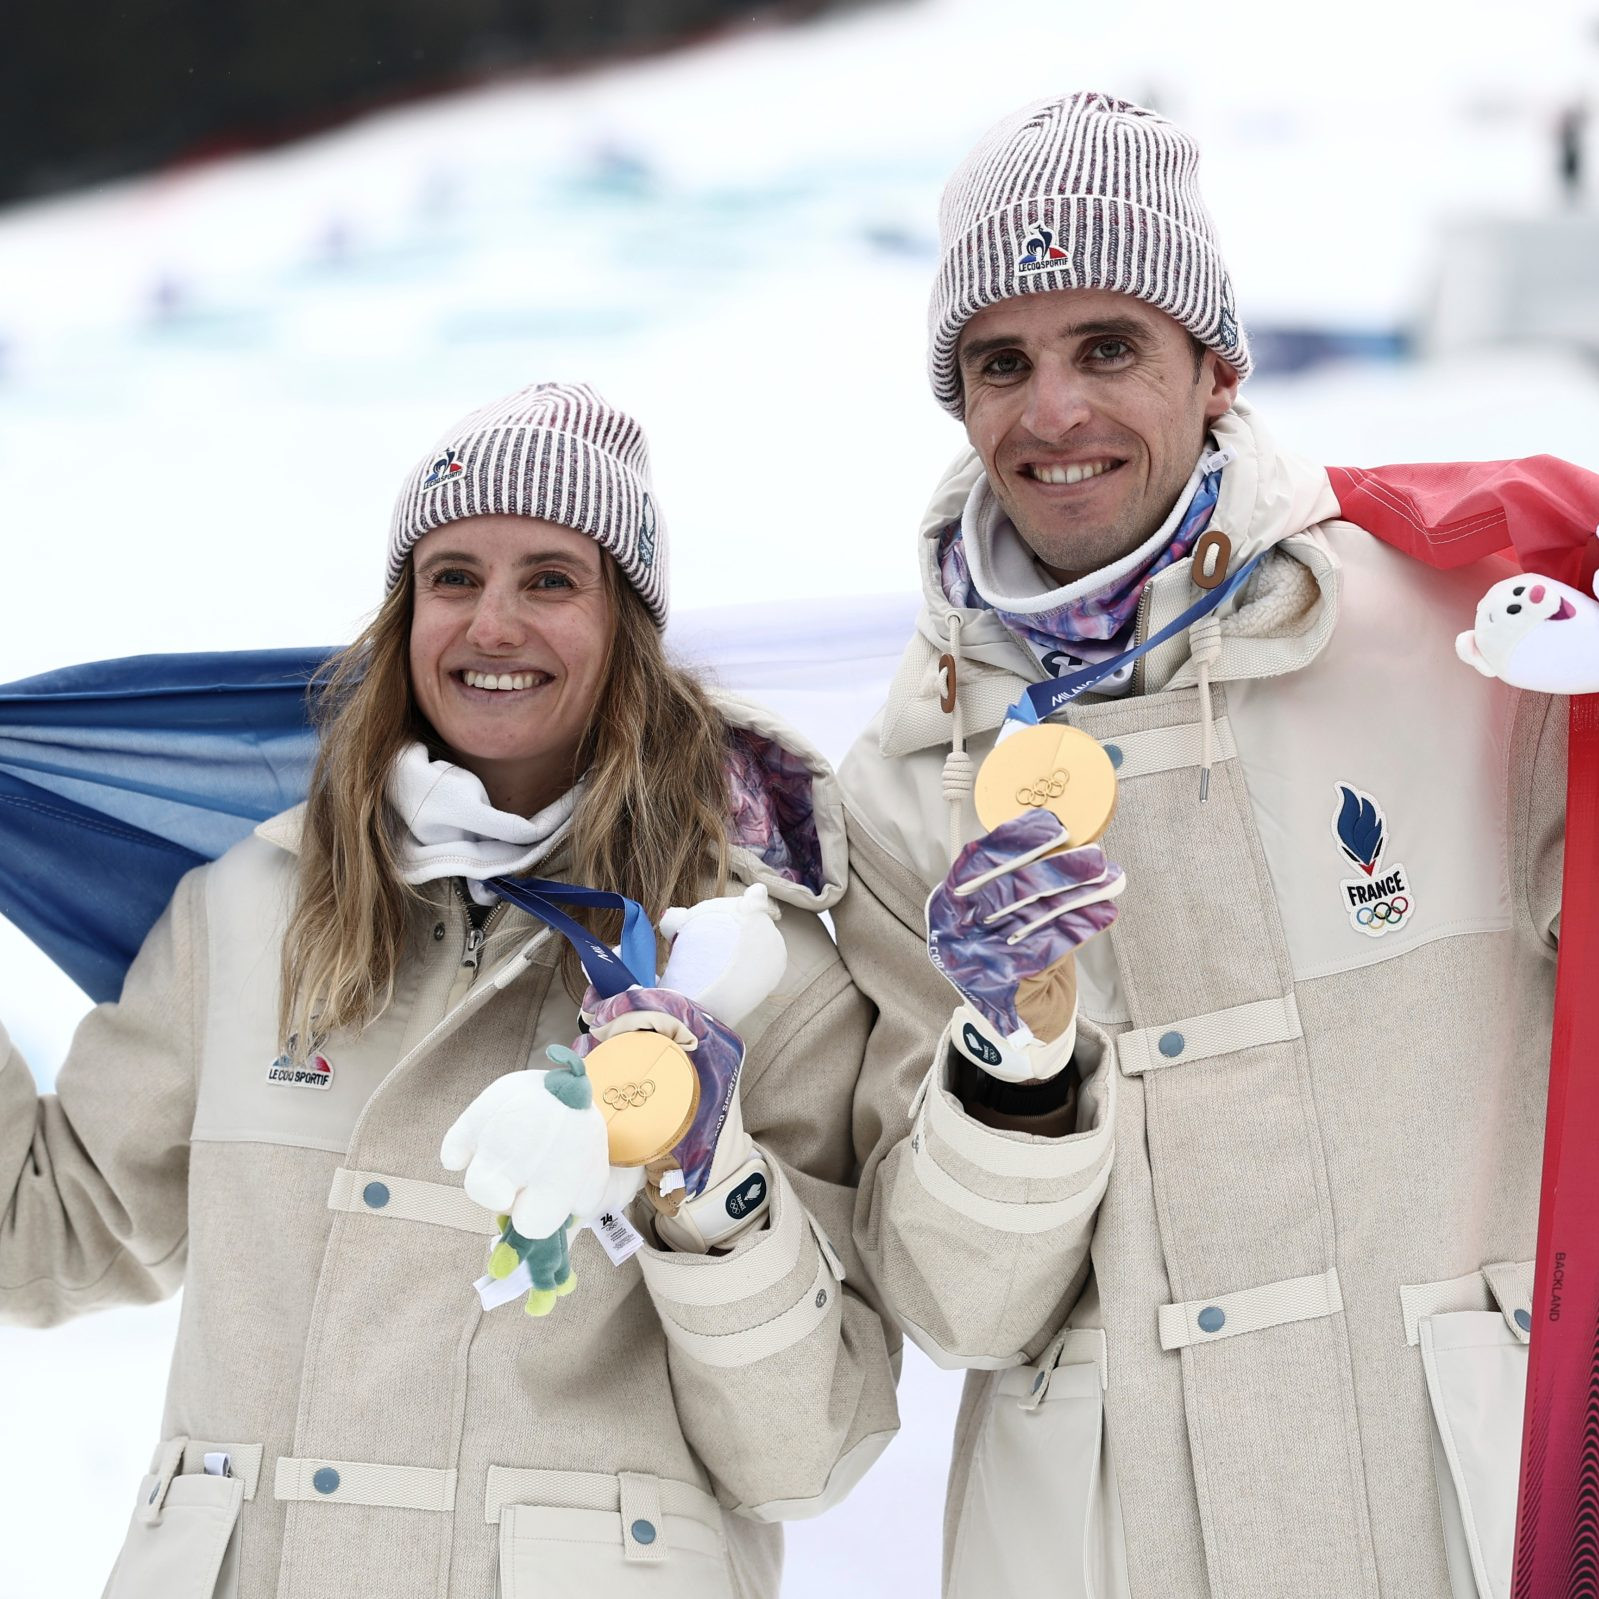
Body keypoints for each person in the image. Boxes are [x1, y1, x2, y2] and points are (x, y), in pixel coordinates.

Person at [836, 94, 1563, 1598]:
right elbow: (955, 1307)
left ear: (1214, 365)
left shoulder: (1464, 643)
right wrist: (1007, 1060)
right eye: (1000, 362)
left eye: (1108, 345)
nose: (1052, 413)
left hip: (1458, 1517)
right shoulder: (910, 777)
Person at [0, 381, 897, 1599]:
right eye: (453, 576)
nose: (492, 625)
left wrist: (700, 1177)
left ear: (628, 625)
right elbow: (46, 1237)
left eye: (550, 579)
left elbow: (808, 1451)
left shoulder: (750, 961)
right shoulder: (251, 908)